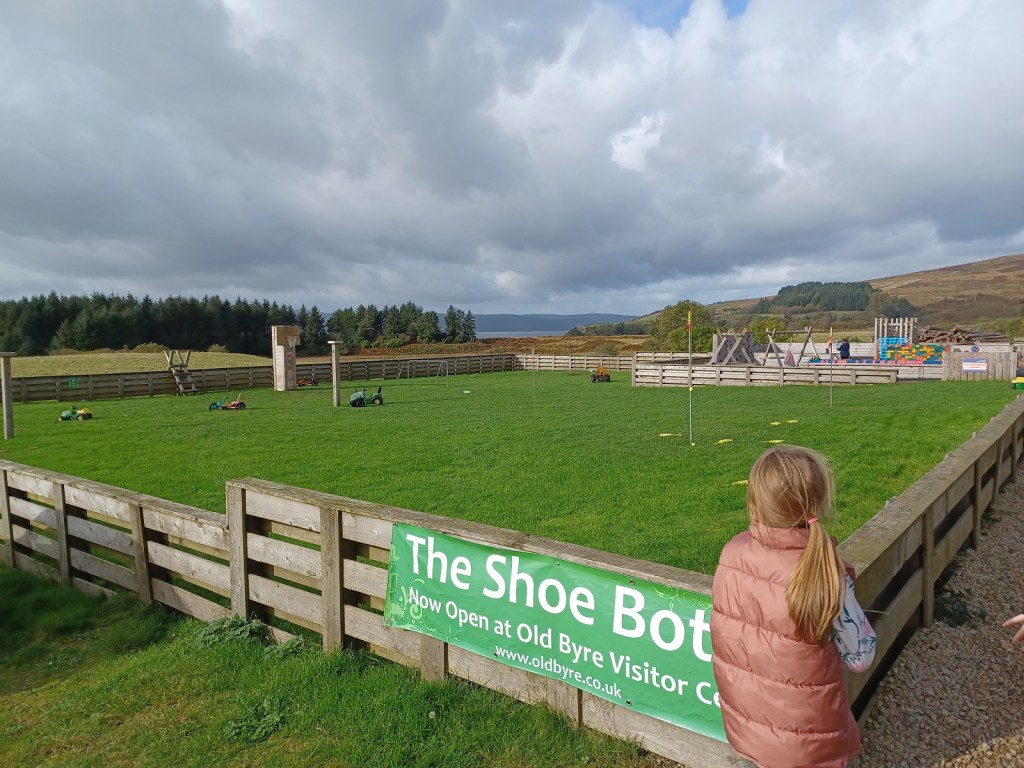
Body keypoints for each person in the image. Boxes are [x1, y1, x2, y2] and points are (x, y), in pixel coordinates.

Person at [711, 445, 876, 768]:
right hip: (808, 749)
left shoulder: (732, 554)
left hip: (748, 736)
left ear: (754, 504)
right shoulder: (827, 575)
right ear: (820, 502)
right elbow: (861, 657)